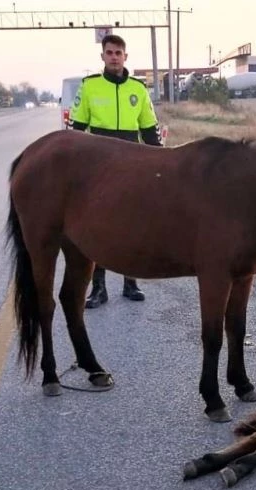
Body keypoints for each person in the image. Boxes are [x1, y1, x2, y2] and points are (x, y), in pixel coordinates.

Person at [70, 33, 163, 308]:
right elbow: (76, 130)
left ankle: (130, 283)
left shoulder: (138, 88)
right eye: (109, 52)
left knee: (133, 226)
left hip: (133, 167)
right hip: (99, 168)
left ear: (125, 56)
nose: (113, 57)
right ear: (102, 56)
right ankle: (98, 288)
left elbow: (149, 130)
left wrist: (162, 163)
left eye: (118, 53)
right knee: (98, 229)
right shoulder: (89, 87)